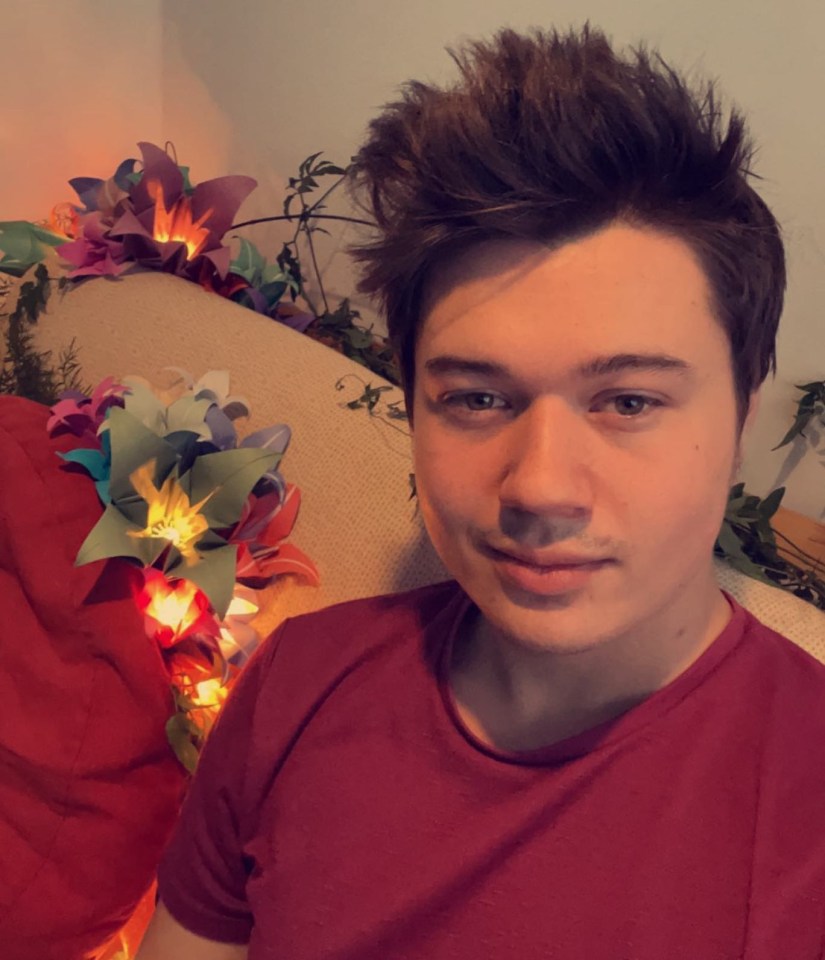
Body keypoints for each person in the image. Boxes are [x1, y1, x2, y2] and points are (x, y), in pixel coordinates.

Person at [137, 25, 825, 959]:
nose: (538, 485)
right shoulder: (298, 684)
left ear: (741, 419)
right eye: (475, 398)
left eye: (627, 401)